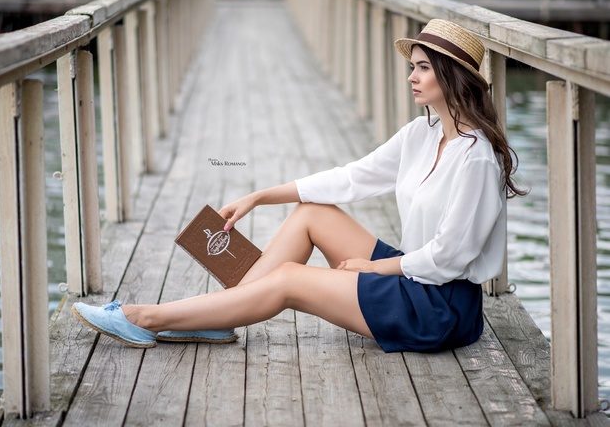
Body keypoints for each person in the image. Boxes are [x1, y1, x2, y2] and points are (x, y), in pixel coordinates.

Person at [73, 19, 525, 353]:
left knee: (289, 280)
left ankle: (145, 318)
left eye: (423, 69)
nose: (411, 77)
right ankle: (220, 313)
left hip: (440, 309)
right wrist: (259, 195)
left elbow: (449, 257)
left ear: (452, 76)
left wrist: (372, 269)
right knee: (313, 213)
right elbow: (350, 178)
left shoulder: (477, 159)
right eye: (412, 67)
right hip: (411, 276)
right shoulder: (422, 135)